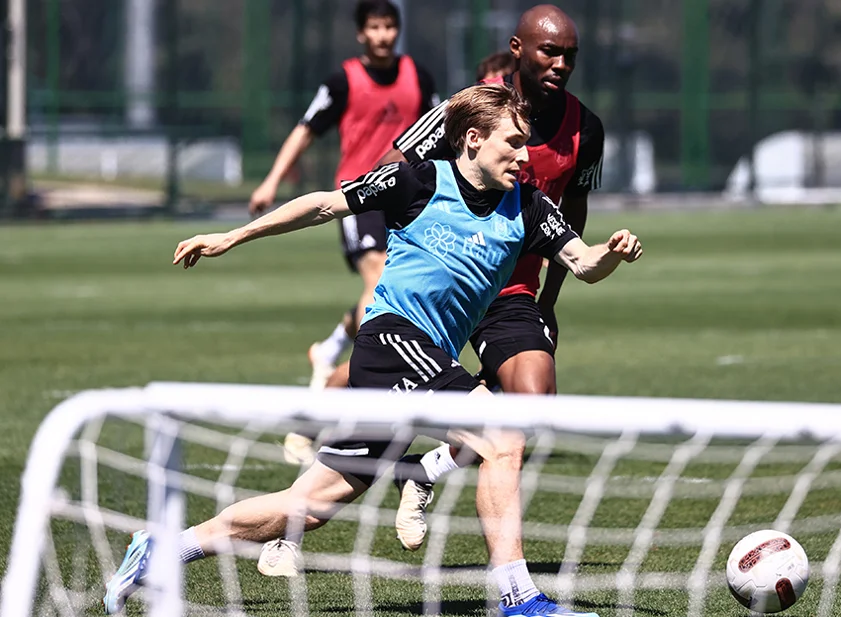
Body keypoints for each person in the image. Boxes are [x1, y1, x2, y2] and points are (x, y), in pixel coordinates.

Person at [103, 83, 641, 617]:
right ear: (473, 138)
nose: (526, 157)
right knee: (502, 437)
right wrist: (231, 236)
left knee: (309, 507)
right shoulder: (416, 180)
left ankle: (162, 550)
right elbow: (323, 205)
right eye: (514, 143)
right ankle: (519, 598)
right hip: (392, 341)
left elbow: (583, 263)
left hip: (421, 360)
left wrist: (612, 252)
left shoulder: (529, 206)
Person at [384, 4, 606, 551]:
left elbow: (572, 214)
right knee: (363, 403)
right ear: (517, 49)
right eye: (549, 52)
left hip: (511, 290)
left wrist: (549, 299)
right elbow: (397, 169)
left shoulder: (586, 129)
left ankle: (426, 470)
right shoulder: (470, 107)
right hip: (443, 283)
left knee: (533, 400)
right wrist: (409, 252)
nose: (560, 64)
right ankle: (291, 513)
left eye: (570, 55)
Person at [248, 0, 438, 396]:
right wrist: (271, 181)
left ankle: (331, 349)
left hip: (409, 196)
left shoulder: (418, 76)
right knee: (379, 278)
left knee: (399, 285)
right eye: (375, 27)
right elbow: (305, 129)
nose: (383, 35)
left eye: (389, 26)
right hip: (359, 195)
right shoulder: (342, 81)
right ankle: (368, 376)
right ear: (360, 33)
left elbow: (442, 130)